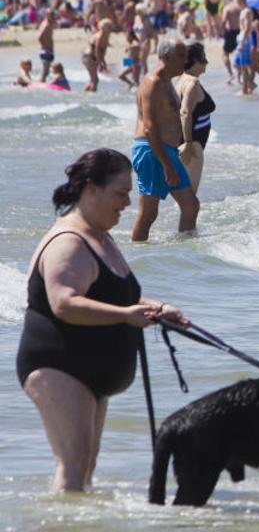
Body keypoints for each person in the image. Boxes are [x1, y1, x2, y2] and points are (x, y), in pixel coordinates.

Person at [16, 149, 188, 492]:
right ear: (92, 189)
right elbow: (64, 303)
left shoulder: (100, 236)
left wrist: (157, 307)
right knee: (73, 466)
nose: (127, 203)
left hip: (91, 370)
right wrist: (126, 316)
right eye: (121, 192)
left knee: (86, 466)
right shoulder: (68, 241)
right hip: (59, 366)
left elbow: (115, 296)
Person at [130, 39, 200, 242]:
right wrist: (167, 165)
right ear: (167, 57)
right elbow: (149, 126)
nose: (185, 61)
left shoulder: (167, 82)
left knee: (190, 205)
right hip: (153, 151)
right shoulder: (153, 82)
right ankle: (137, 256)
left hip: (166, 151)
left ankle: (186, 253)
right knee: (148, 213)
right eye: (181, 56)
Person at [174, 42, 215, 194]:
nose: (207, 62)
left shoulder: (181, 80)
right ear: (195, 61)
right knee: (190, 200)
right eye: (203, 58)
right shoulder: (192, 82)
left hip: (182, 143)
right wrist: (189, 143)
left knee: (184, 198)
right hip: (192, 145)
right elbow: (184, 112)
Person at [220, 0, 244, 85]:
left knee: (225, 53)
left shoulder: (228, 8)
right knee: (239, 54)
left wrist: (221, 31)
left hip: (231, 32)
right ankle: (239, 77)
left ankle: (230, 74)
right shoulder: (241, 8)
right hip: (240, 32)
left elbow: (224, 20)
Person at [36, 3, 57, 83]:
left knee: (46, 72)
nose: (52, 16)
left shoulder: (48, 23)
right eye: (51, 15)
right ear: (47, 15)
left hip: (48, 51)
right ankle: (41, 84)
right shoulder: (46, 25)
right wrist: (44, 45)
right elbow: (40, 36)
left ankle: (43, 83)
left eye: (53, 14)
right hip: (46, 51)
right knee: (45, 72)